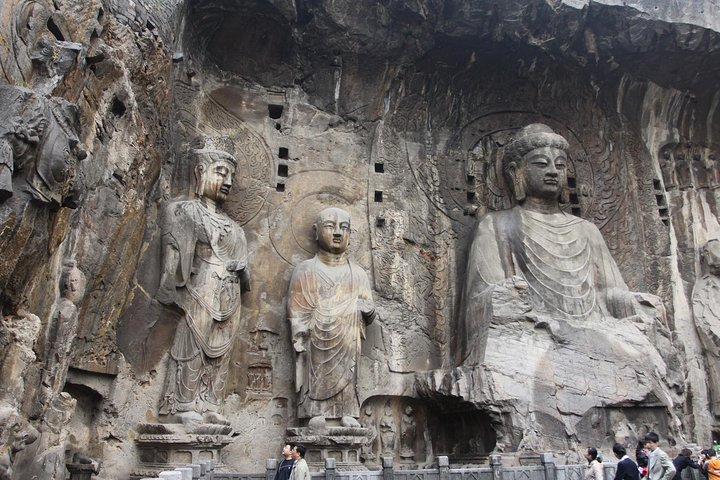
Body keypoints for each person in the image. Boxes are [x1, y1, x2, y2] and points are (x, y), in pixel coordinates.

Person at [156, 143, 250, 425]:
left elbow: (247, 278)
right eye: (221, 173)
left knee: (221, 355)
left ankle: (211, 404)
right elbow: (172, 260)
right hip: (199, 289)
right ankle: (183, 406)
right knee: (191, 347)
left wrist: (242, 270)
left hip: (229, 294)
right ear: (200, 172)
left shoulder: (235, 229)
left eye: (231, 176)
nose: (228, 182)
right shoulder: (183, 211)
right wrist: (171, 286)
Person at [287, 207, 377, 425]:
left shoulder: (358, 274)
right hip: (316, 340)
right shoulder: (305, 270)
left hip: (347, 341)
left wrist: (366, 310)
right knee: (314, 363)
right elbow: (296, 311)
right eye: (330, 226)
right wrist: (318, 318)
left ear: (350, 235)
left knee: (350, 371)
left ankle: (347, 412)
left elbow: (368, 306)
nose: (337, 232)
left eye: (343, 228)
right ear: (316, 231)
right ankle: (314, 412)